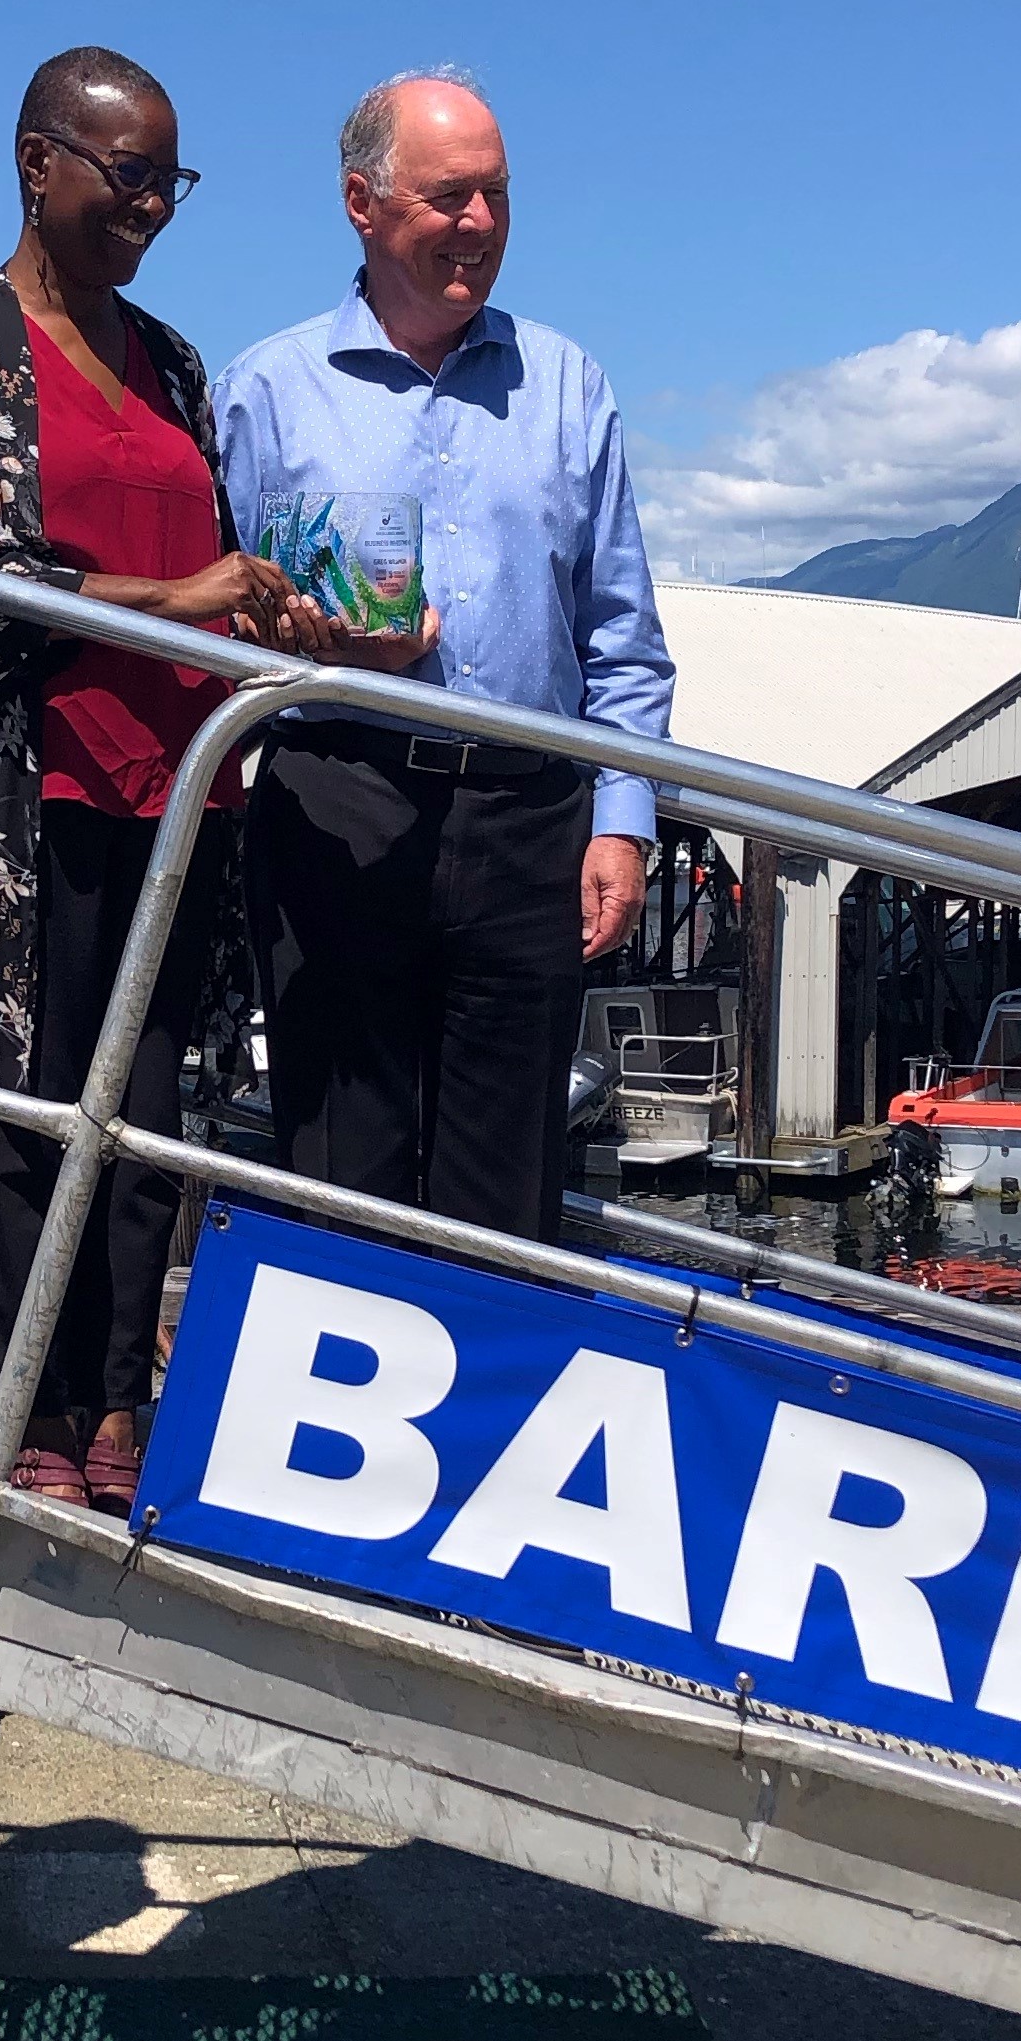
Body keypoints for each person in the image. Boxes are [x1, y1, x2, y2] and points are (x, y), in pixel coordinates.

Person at [0, 47, 323, 1507]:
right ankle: (31, 1418)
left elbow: (218, 553)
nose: (153, 207)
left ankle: (119, 1407)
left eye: (169, 181)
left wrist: (271, 614)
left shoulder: (177, 363)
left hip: (182, 792)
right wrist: (187, 599)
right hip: (35, 793)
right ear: (37, 161)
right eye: (129, 174)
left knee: (145, 1130)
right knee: (28, 1113)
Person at [212, 68, 673, 1246]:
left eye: (498, 199)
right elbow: (215, 615)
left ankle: (476, 1424)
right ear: (361, 204)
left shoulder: (571, 388)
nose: (478, 226)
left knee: (505, 1194)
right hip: (336, 804)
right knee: (335, 1166)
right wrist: (296, 636)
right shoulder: (265, 392)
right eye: (449, 197)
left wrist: (622, 817)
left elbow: (619, 632)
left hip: (530, 819)